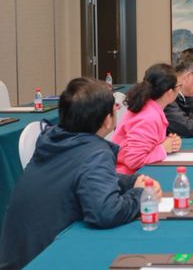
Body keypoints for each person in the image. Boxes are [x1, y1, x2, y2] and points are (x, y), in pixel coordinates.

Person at [0, 77, 162, 269]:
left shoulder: (54, 140)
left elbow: (80, 177)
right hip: (48, 257)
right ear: (107, 119)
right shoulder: (95, 152)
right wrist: (140, 195)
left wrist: (129, 182)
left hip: (21, 256)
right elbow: (107, 212)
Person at [112, 64, 182, 174]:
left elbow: (147, 145)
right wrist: (163, 148)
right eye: (179, 86)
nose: (180, 90)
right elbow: (134, 161)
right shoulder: (149, 117)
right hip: (128, 176)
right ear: (169, 92)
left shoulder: (148, 107)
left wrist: (168, 143)